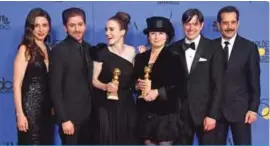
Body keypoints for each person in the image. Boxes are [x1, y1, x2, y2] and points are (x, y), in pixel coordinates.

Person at [170, 9, 224, 144]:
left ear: (202, 25)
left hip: (205, 113)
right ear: (183, 25)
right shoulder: (173, 49)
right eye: (187, 24)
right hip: (180, 115)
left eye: (195, 24)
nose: (191, 28)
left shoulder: (214, 47)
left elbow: (218, 84)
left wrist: (212, 115)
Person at [134, 16, 187, 145]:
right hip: (145, 115)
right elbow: (133, 82)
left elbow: (181, 86)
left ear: (167, 36)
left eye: (161, 33)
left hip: (166, 116)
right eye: (153, 33)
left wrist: (158, 92)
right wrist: (137, 86)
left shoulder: (174, 57)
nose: (156, 37)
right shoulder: (140, 58)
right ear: (148, 36)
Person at [214, 6, 260, 145]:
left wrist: (253, 109)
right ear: (218, 24)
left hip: (241, 111)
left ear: (238, 23)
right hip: (215, 112)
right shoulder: (210, 46)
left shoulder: (249, 47)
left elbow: (254, 81)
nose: (229, 27)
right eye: (225, 23)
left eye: (233, 22)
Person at [49, 7, 93, 144]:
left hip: (90, 117)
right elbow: (54, 88)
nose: (77, 29)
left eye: (80, 24)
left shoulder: (89, 48)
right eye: (72, 25)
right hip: (70, 119)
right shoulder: (58, 51)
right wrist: (64, 119)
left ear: (85, 25)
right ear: (65, 28)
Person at [91, 12, 137, 144]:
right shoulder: (101, 53)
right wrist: (106, 86)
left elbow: (134, 78)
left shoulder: (133, 52)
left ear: (122, 32)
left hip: (127, 106)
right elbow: (94, 80)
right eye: (106, 29)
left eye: (111, 29)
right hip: (106, 107)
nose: (107, 33)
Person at [13, 8, 53, 144]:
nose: (41, 30)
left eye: (44, 25)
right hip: (29, 109)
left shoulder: (49, 49)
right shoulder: (26, 48)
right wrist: (20, 114)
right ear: (30, 28)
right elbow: (17, 84)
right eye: (36, 26)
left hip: (47, 110)